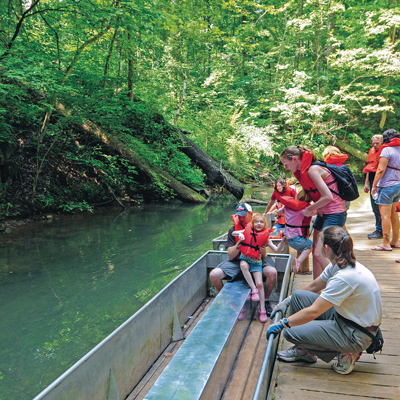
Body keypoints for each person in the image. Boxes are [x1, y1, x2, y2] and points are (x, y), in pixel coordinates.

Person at [266, 226, 382, 375]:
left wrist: (283, 323)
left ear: (326, 248)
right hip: (348, 319)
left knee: (291, 332)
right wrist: (287, 300)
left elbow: (314, 311)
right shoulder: (339, 264)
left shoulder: (344, 277)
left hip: (357, 334)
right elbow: (315, 285)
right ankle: (305, 351)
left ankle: (347, 352)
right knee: (298, 296)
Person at [280, 146, 347, 279]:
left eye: (286, 164)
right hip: (323, 213)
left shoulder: (312, 170)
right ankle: (316, 288)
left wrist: (309, 209)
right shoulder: (304, 172)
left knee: (319, 254)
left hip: (334, 213)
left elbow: (328, 197)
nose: (286, 168)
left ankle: (338, 284)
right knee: (315, 253)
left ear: (294, 159)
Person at [209, 203, 277, 315]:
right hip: (237, 262)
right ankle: (228, 301)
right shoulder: (233, 231)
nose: (240, 218)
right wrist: (241, 242)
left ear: (251, 215)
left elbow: (264, 256)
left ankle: (265, 301)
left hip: (256, 262)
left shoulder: (261, 229)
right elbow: (230, 256)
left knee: (272, 272)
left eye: (243, 215)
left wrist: (262, 249)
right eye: (239, 216)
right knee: (214, 275)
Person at [233, 213, 286, 323]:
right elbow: (234, 232)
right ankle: (253, 290)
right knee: (243, 265)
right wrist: (241, 236)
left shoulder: (265, 236)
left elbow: (277, 250)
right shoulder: (246, 230)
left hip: (256, 262)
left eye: (261, 222)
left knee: (260, 284)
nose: (258, 224)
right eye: (256, 222)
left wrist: (283, 242)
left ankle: (262, 310)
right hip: (246, 259)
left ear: (265, 224)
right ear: (252, 223)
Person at [370, 129, 400, 252]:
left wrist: (374, 186)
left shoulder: (387, 150)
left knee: (385, 215)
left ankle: (386, 243)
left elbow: (380, 170)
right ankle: (395, 241)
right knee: (394, 214)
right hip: (398, 185)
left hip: (387, 186)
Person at [274, 189, 313, 273]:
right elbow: (317, 212)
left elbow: (278, 212)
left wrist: (275, 214)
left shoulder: (286, 206)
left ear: (297, 197)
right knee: (310, 246)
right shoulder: (304, 210)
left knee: (304, 246)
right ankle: (299, 261)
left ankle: (299, 266)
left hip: (288, 237)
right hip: (296, 238)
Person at [363, 135, 384, 239]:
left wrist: (375, 185)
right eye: (374, 143)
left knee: (379, 207)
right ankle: (379, 229)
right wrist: (366, 183)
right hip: (372, 183)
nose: (375, 145)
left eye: (377, 143)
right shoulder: (372, 151)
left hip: (380, 184)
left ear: (382, 142)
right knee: (374, 208)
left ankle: (380, 230)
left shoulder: (385, 152)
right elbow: (369, 168)